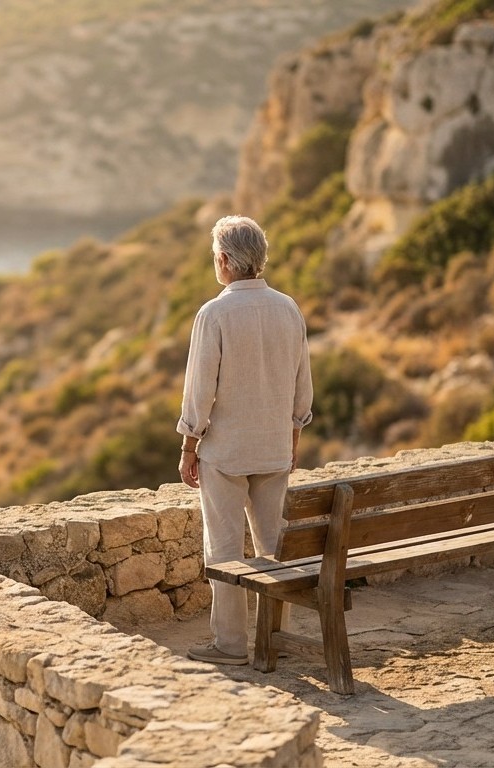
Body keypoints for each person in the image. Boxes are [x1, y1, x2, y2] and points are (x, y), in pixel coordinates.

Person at [177, 215, 313, 666]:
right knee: (274, 547)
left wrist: (188, 446)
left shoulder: (214, 313)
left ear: (223, 260)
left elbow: (200, 390)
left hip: (227, 453)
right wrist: (293, 434)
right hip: (275, 447)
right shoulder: (288, 308)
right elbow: (302, 383)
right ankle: (276, 638)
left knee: (225, 549)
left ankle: (230, 645)